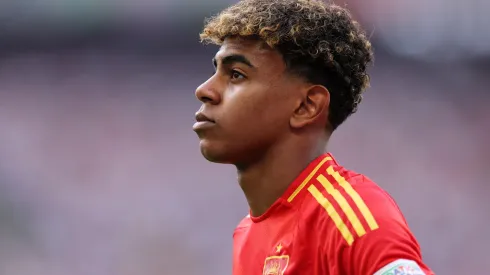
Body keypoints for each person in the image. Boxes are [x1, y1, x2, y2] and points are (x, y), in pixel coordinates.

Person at [192, 0, 434, 274]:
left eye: (236, 74)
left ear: (307, 106)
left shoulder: (353, 218)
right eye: (216, 71)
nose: (204, 90)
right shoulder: (247, 234)